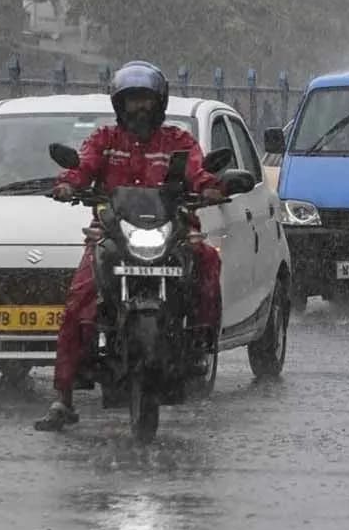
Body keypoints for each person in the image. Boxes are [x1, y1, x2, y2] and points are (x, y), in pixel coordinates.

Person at [34, 61, 225, 431]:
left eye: (146, 99)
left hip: (171, 233)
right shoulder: (105, 140)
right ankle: (63, 398)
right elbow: (82, 167)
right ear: (119, 105)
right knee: (78, 299)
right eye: (132, 100)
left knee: (207, 260)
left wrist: (212, 188)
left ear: (159, 103)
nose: (139, 107)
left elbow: (198, 171)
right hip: (112, 234)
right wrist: (69, 184)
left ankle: (200, 344)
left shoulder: (178, 141)